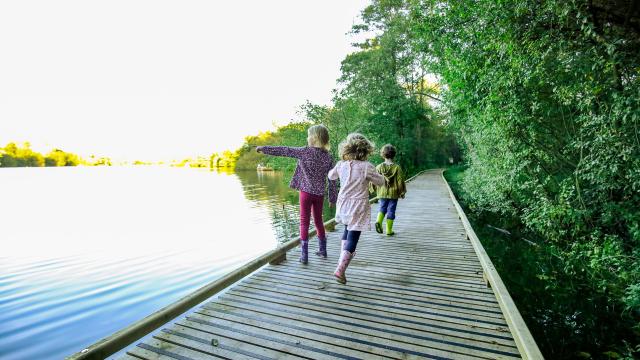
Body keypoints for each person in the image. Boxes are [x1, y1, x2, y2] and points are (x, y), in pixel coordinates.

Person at [256, 125, 337, 264]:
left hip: (305, 193)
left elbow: (284, 150)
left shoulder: (304, 151)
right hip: (319, 194)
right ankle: (323, 251)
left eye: (308, 135)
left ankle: (304, 256)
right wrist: (332, 197)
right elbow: (332, 179)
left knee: (304, 221)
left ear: (314, 138)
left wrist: (264, 148)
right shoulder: (328, 157)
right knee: (318, 221)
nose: (307, 138)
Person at [328, 133, 385, 284]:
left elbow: (331, 176)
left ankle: (342, 261)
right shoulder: (367, 167)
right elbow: (380, 182)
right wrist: (382, 178)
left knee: (346, 231)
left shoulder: (341, 164)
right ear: (365, 151)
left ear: (346, 149)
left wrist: (337, 168)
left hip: (343, 204)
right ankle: (341, 269)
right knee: (353, 237)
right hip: (358, 206)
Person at [372, 144, 406, 236]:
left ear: (383, 154)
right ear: (394, 154)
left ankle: (378, 221)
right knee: (391, 210)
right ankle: (389, 230)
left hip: (382, 192)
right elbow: (400, 182)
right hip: (393, 193)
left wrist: (373, 189)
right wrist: (402, 192)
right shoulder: (397, 168)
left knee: (382, 208)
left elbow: (374, 179)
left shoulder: (378, 167)